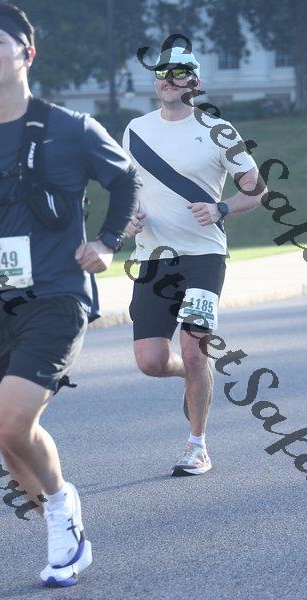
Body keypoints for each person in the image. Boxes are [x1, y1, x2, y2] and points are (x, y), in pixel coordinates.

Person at [0, 2, 141, 588]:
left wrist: (108, 242)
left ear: (26, 53)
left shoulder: (71, 127)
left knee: (13, 424)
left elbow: (126, 180)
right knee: (9, 444)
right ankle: (63, 527)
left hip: (57, 295)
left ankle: (62, 507)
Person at [123, 43, 266, 476]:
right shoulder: (135, 130)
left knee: (194, 349)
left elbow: (257, 191)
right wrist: (127, 217)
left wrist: (221, 208)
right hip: (153, 257)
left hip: (204, 256)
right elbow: (127, 188)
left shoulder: (219, 130)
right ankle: (191, 374)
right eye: (162, 72)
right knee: (150, 361)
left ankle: (197, 446)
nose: (169, 79)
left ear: (195, 82)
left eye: (179, 72)